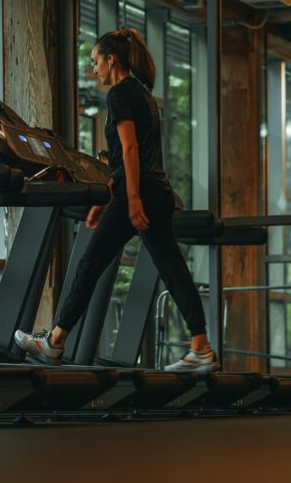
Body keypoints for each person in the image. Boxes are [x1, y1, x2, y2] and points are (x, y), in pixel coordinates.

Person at [14, 27, 220, 373]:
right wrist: (108, 195)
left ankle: (54, 342)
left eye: (96, 62)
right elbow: (128, 160)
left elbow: (130, 148)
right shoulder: (144, 95)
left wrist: (132, 199)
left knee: (91, 262)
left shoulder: (120, 94)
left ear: (112, 60)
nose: (94, 69)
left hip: (138, 193)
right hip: (155, 191)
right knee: (172, 269)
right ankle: (201, 347)